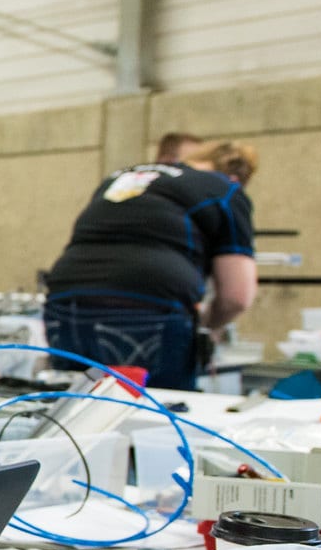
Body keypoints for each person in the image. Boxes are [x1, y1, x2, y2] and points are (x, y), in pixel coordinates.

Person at [43, 140, 259, 391]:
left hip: (63, 304)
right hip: (145, 314)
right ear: (236, 176)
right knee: (151, 415)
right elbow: (237, 297)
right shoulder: (226, 189)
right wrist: (209, 326)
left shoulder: (123, 176)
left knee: (75, 411)